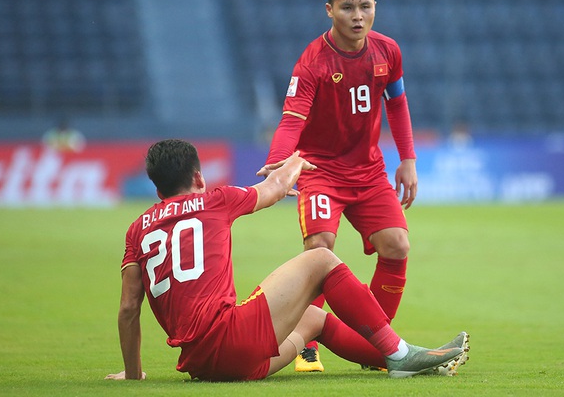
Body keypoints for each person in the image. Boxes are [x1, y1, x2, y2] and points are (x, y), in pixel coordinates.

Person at [105, 139, 469, 382]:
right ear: (198, 176)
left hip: (203, 364)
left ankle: (395, 359)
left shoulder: (136, 230)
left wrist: (133, 374)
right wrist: (296, 159)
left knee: (312, 318)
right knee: (321, 259)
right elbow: (276, 188)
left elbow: (127, 309)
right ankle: (401, 354)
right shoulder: (216, 199)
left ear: (157, 189)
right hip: (232, 341)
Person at [258, 0, 418, 372]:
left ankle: (371, 343)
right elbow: (292, 118)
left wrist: (408, 159)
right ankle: (308, 343)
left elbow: (396, 105)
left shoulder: (388, 51)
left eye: (366, 6)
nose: (358, 16)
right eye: (348, 8)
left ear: (375, 6)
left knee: (397, 245)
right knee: (319, 249)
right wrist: (280, 161)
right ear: (329, 10)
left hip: (368, 171)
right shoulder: (312, 62)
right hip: (320, 171)